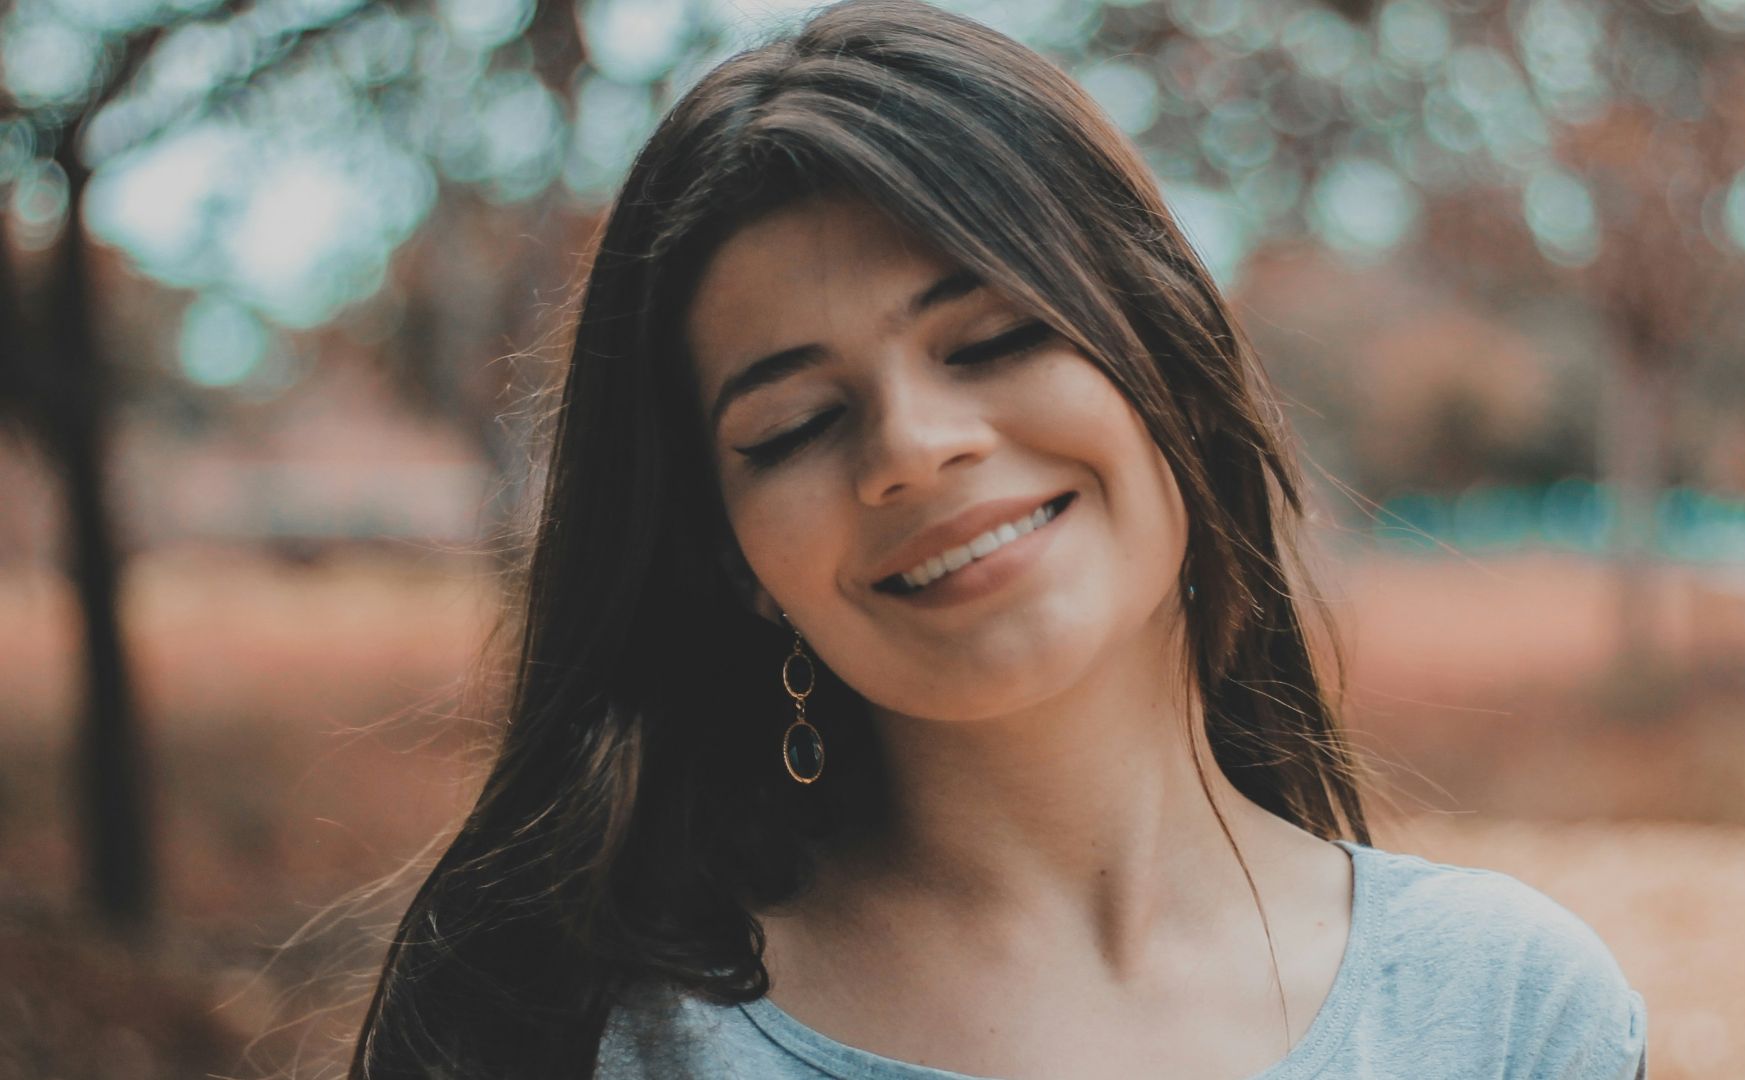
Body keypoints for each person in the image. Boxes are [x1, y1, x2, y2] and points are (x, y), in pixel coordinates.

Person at [350, 1, 1648, 1077]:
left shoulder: (1509, 1014)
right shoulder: (587, 1036)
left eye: (995, 338)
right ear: (731, 560)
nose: (915, 445)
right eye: (797, 424)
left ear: (1173, 377)